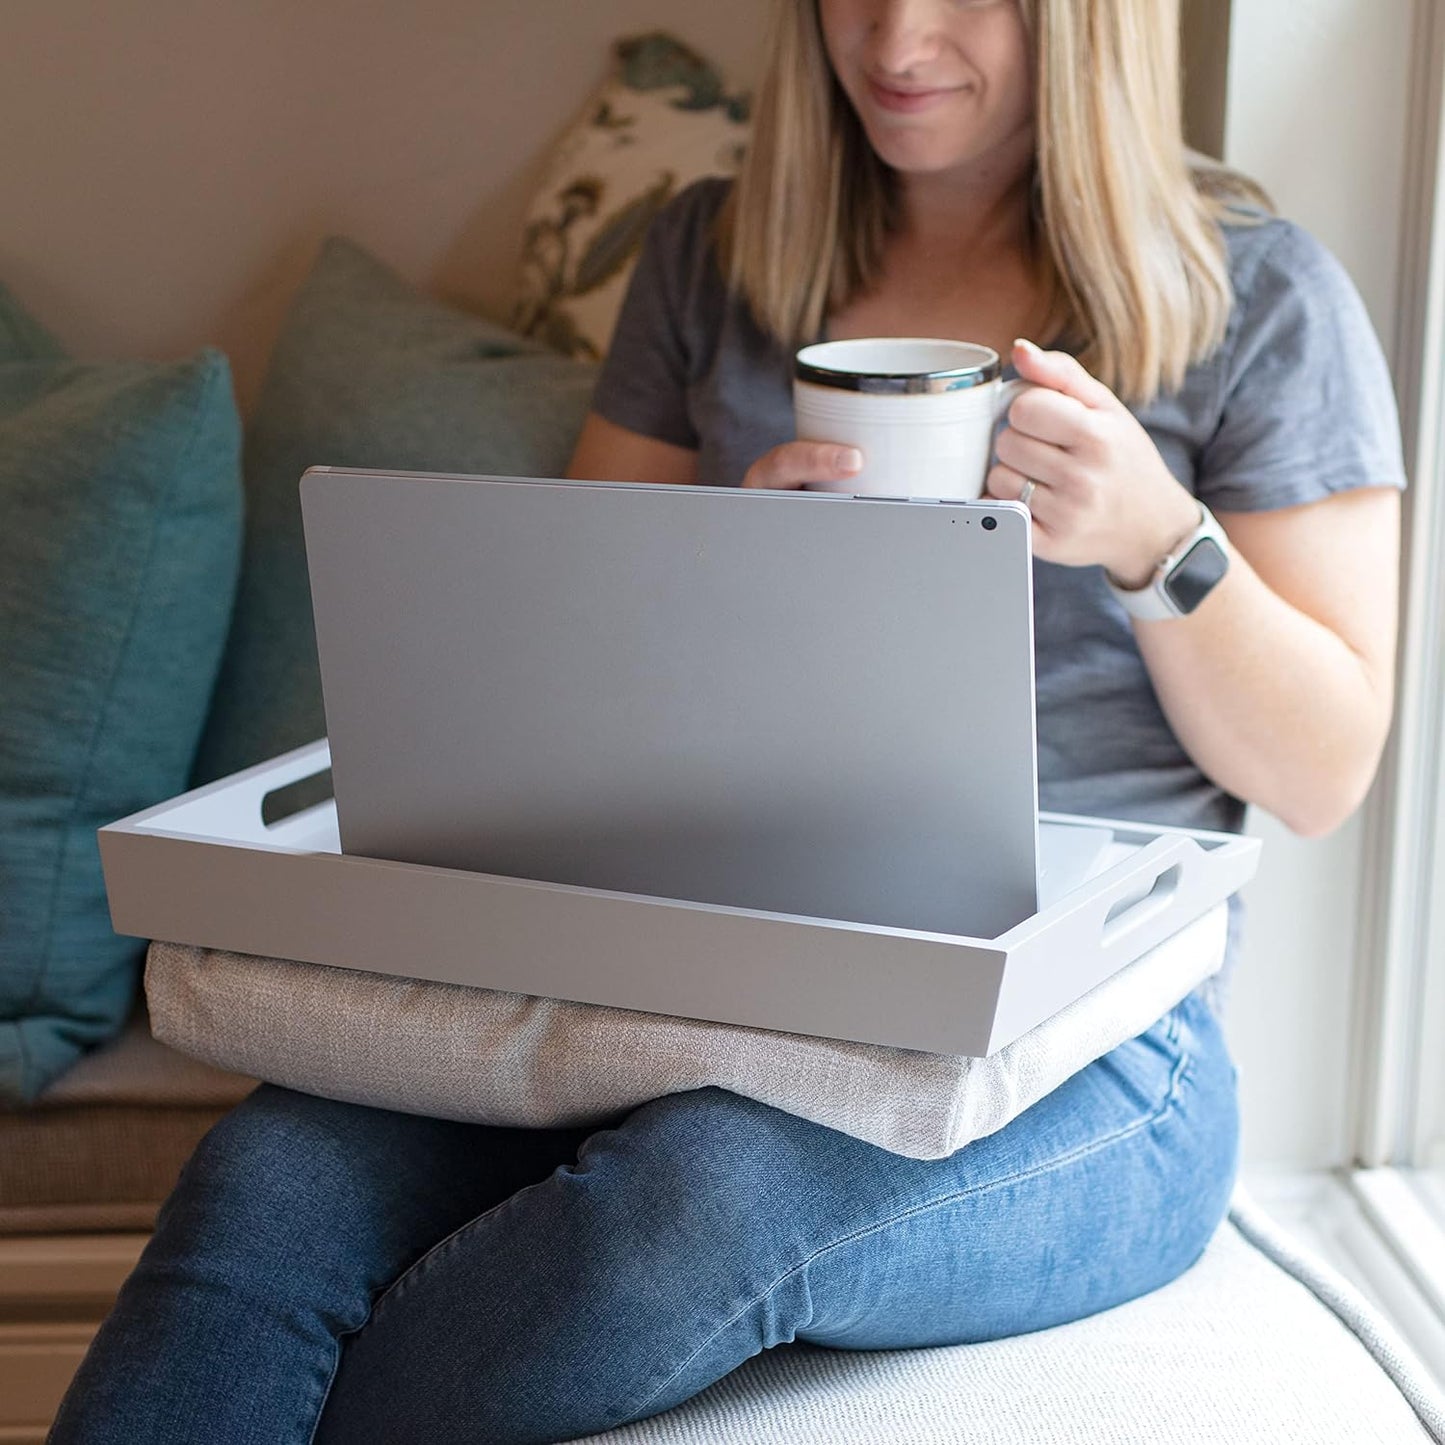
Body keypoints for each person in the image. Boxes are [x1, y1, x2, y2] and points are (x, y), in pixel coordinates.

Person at [52, 2, 1403, 1442]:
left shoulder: (1256, 297)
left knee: (698, 1196)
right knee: (266, 1178)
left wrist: (1157, 543)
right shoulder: (715, 253)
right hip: (692, 965)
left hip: (1085, 1032)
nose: (892, 37)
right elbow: (553, 682)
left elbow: (1320, 771)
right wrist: (714, 564)